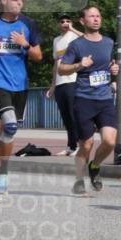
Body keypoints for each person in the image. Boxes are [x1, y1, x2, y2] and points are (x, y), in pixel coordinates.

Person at [0, 0, 43, 201]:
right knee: (8, 124)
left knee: (9, 133)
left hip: (21, 85)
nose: (20, 2)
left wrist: (25, 44)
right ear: (3, 0)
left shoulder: (28, 24)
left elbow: (38, 56)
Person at [58, 5, 120, 195]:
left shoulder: (109, 42)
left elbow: (110, 64)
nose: (96, 19)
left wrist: (114, 69)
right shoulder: (77, 45)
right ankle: (78, 179)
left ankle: (94, 166)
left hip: (105, 99)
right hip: (84, 99)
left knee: (109, 141)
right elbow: (62, 69)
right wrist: (80, 64)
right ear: (83, 21)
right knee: (86, 144)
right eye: (91, 16)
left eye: (98, 16)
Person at [46, 13, 83, 156]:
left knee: (74, 115)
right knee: (66, 116)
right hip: (60, 83)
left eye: (68, 20)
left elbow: (86, 38)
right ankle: (71, 146)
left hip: (72, 80)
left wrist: (73, 29)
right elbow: (56, 63)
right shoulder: (56, 40)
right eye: (62, 21)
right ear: (58, 24)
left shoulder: (74, 36)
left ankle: (80, 145)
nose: (65, 23)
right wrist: (52, 85)